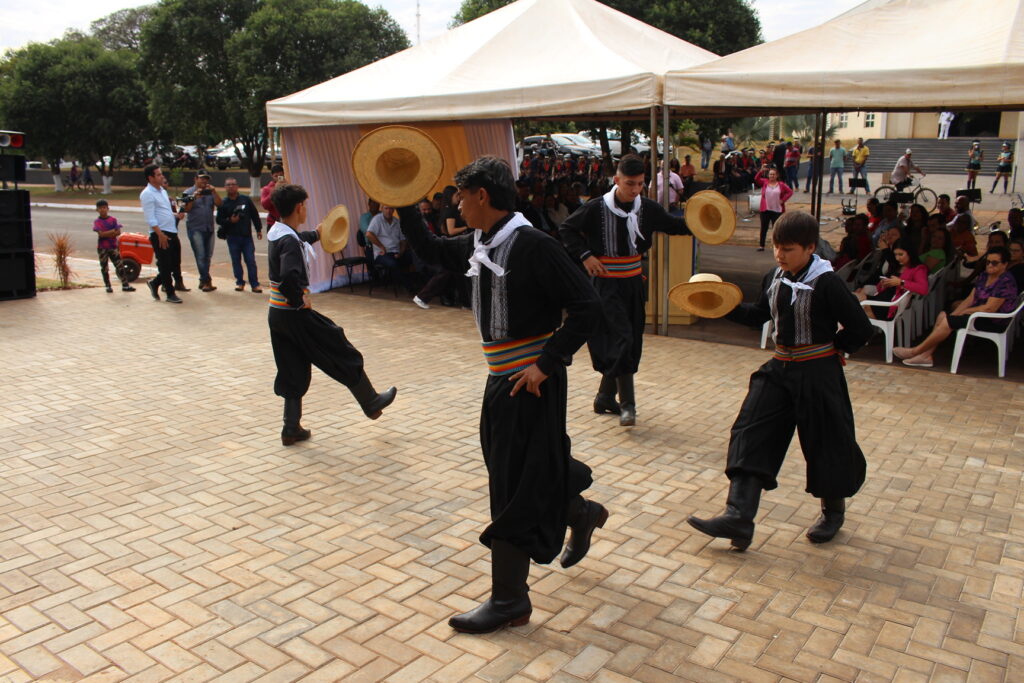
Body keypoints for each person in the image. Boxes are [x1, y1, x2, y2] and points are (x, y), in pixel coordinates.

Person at [397, 156, 606, 634]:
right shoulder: (481, 240)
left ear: (482, 197)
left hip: (531, 385)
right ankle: (580, 510)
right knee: (520, 470)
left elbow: (587, 305)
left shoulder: (533, 244)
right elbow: (429, 250)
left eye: (460, 195)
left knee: (512, 487)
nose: (456, 203)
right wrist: (403, 199)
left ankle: (510, 599)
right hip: (500, 384)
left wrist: (546, 363)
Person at [688, 211, 872, 550]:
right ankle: (738, 516)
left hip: (818, 373)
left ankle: (833, 513)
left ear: (809, 248)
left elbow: (862, 328)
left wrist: (838, 350)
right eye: (776, 247)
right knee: (750, 431)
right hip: (779, 368)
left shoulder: (827, 282)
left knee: (827, 442)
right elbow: (759, 315)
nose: (779, 255)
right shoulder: (774, 275)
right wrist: (720, 305)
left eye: (787, 249)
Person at [559, 154, 692, 427]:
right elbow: (567, 229)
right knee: (623, 340)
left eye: (640, 184)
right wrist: (585, 255)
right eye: (630, 183)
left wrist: (704, 221)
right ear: (616, 180)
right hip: (605, 284)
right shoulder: (595, 208)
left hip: (633, 284)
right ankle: (628, 405)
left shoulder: (649, 209)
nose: (635, 189)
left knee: (631, 339)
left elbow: (675, 226)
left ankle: (605, 397)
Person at [266, 183, 397, 445]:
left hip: (277, 315)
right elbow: (289, 274)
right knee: (338, 346)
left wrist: (316, 234)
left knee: (292, 366)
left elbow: (297, 241)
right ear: (299, 207)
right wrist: (299, 299)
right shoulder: (289, 241)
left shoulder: (278, 232)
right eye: (305, 205)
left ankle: (291, 428)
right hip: (295, 314)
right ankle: (370, 401)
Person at [895, 247, 1018, 368]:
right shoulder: (985, 276)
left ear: (1004, 264)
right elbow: (970, 298)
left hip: (992, 319)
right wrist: (956, 313)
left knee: (948, 322)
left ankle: (915, 351)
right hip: (977, 314)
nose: (990, 265)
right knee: (943, 316)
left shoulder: (1005, 281)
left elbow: (990, 309)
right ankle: (926, 356)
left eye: (995, 263)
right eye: (988, 262)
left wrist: (965, 312)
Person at [140, 165, 184, 304]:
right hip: (160, 233)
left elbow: (164, 211)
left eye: (161, 174)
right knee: (165, 264)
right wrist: (159, 234)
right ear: (150, 178)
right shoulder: (147, 194)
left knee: (174, 262)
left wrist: (176, 215)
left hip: (171, 230)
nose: (162, 176)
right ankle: (170, 293)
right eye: (158, 175)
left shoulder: (162, 192)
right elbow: (150, 217)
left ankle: (155, 282)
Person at [855, 239, 928, 319]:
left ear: (910, 253)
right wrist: (884, 283)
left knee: (850, 301)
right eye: (895, 255)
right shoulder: (898, 266)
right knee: (849, 298)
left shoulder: (918, 269)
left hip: (886, 307)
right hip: (879, 299)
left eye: (900, 254)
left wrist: (901, 282)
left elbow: (923, 289)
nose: (897, 258)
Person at [217, 177, 263, 293]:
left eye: (233, 184)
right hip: (232, 237)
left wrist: (258, 229)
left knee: (250, 260)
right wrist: (229, 221)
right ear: (225, 187)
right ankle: (239, 282)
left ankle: (255, 284)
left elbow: (254, 214)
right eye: (228, 185)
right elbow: (219, 220)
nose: (231, 186)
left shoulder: (245, 199)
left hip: (246, 236)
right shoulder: (223, 203)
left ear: (237, 186)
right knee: (236, 261)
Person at [182, 172, 222, 292]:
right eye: (202, 179)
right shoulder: (188, 192)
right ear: (195, 179)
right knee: (200, 255)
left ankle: (203, 279)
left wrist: (214, 192)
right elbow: (186, 209)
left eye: (206, 180)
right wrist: (194, 197)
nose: (204, 182)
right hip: (195, 228)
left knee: (208, 256)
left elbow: (219, 204)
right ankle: (206, 281)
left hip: (208, 228)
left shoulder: (209, 192)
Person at [367, 204, 417, 293]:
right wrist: (381, 246)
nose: (388, 211)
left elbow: (403, 240)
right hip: (383, 253)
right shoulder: (377, 219)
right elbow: (369, 234)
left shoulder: (397, 221)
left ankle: (423, 283)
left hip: (397, 252)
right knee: (393, 264)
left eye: (390, 208)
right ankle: (410, 287)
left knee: (415, 256)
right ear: (382, 209)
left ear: (394, 210)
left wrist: (401, 252)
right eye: (386, 208)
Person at [92, 200, 135, 293]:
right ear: (97, 210)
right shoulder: (97, 222)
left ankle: (125, 285)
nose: (103, 210)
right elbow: (101, 235)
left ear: (108, 208)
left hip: (113, 246)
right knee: (104, 267)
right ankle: (107, 286)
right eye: (100, 208)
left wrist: (107, 233)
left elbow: (118, 232)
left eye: (104, 208)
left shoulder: (113, 220)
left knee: (119, 265)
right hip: (102, 247)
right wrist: (112, 231)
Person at [754, 166, 794, 251]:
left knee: (776, 229)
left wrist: (783, 200)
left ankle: (777, 245)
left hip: (777, 210)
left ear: (777, 176)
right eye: (770, 174)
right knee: (764, 228)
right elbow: (756, 179)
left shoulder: (781, 185)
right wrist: (761, 171)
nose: (772, 176)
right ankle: (762, 245)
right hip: (765, 209)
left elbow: (790, 192)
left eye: (773, 174)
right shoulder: (765, 182)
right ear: (768, 175)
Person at [261, 164, 285, 229]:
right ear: (272, 176)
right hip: (273, 223)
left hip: (286, 222)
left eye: (280, 176)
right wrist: (273, 191)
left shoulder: (288, 187)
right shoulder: (267, 189)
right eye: (276, 176)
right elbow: (264, 205)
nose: (278, 178)